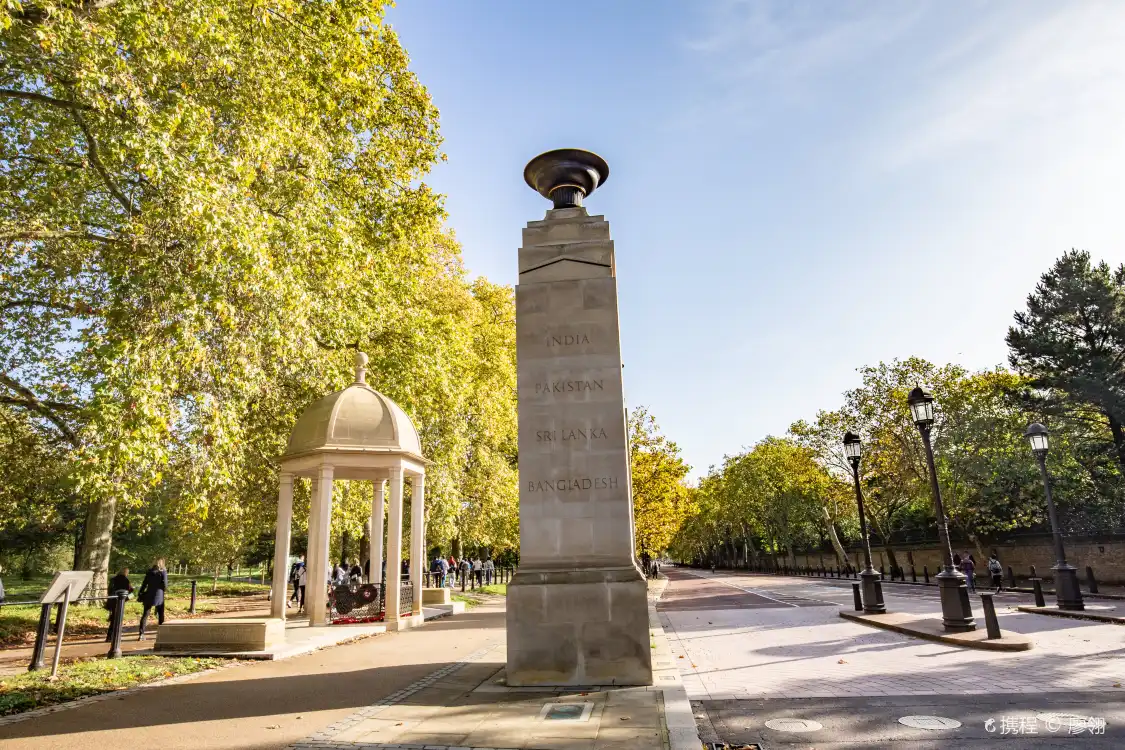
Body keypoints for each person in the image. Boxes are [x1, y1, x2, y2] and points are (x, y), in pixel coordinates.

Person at [137, 558, 168, 640]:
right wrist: (164, 589)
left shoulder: (149, 572)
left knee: (145, 614)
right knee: (161, 614)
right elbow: (165, 585)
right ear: (162, 563)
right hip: (159, 595)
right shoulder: (163, 572)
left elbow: (144, 584)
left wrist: (140, 592)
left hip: (149, 594)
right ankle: (162, 633)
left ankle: (141, 634)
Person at [105, 567, 134, 642]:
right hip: (120, 601)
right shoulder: (126, 580)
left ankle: (109, 636)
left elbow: (109, 590)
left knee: (113, 618)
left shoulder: (113, 579)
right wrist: (129, 597)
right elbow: (130, 590)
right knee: (117, 619)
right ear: (125, 572)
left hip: (112, 600)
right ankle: (115, 636)